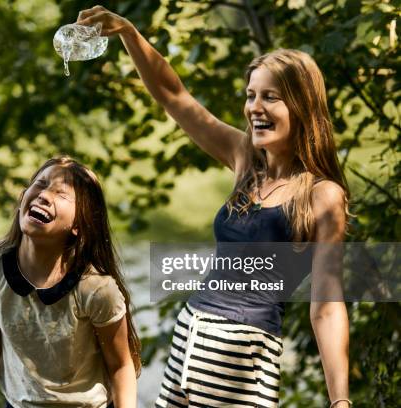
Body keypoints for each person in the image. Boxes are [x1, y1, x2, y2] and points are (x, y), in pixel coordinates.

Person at [77, 6, 351, 408]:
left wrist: (340, 401)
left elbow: (327, 306)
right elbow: (175, 97)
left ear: (301, 106)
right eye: (250, 95)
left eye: (270, 97)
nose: (254, 107)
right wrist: (129, 34)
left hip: (244, 353)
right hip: (191, 335)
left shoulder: (322, 195)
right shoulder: (245, 160)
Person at [0, 156, 141, 408]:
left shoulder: (96, 290)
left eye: (61, 193)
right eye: (40, 184)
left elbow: (121, 366)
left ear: (79, 225)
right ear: (23, 198)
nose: (44, 195)